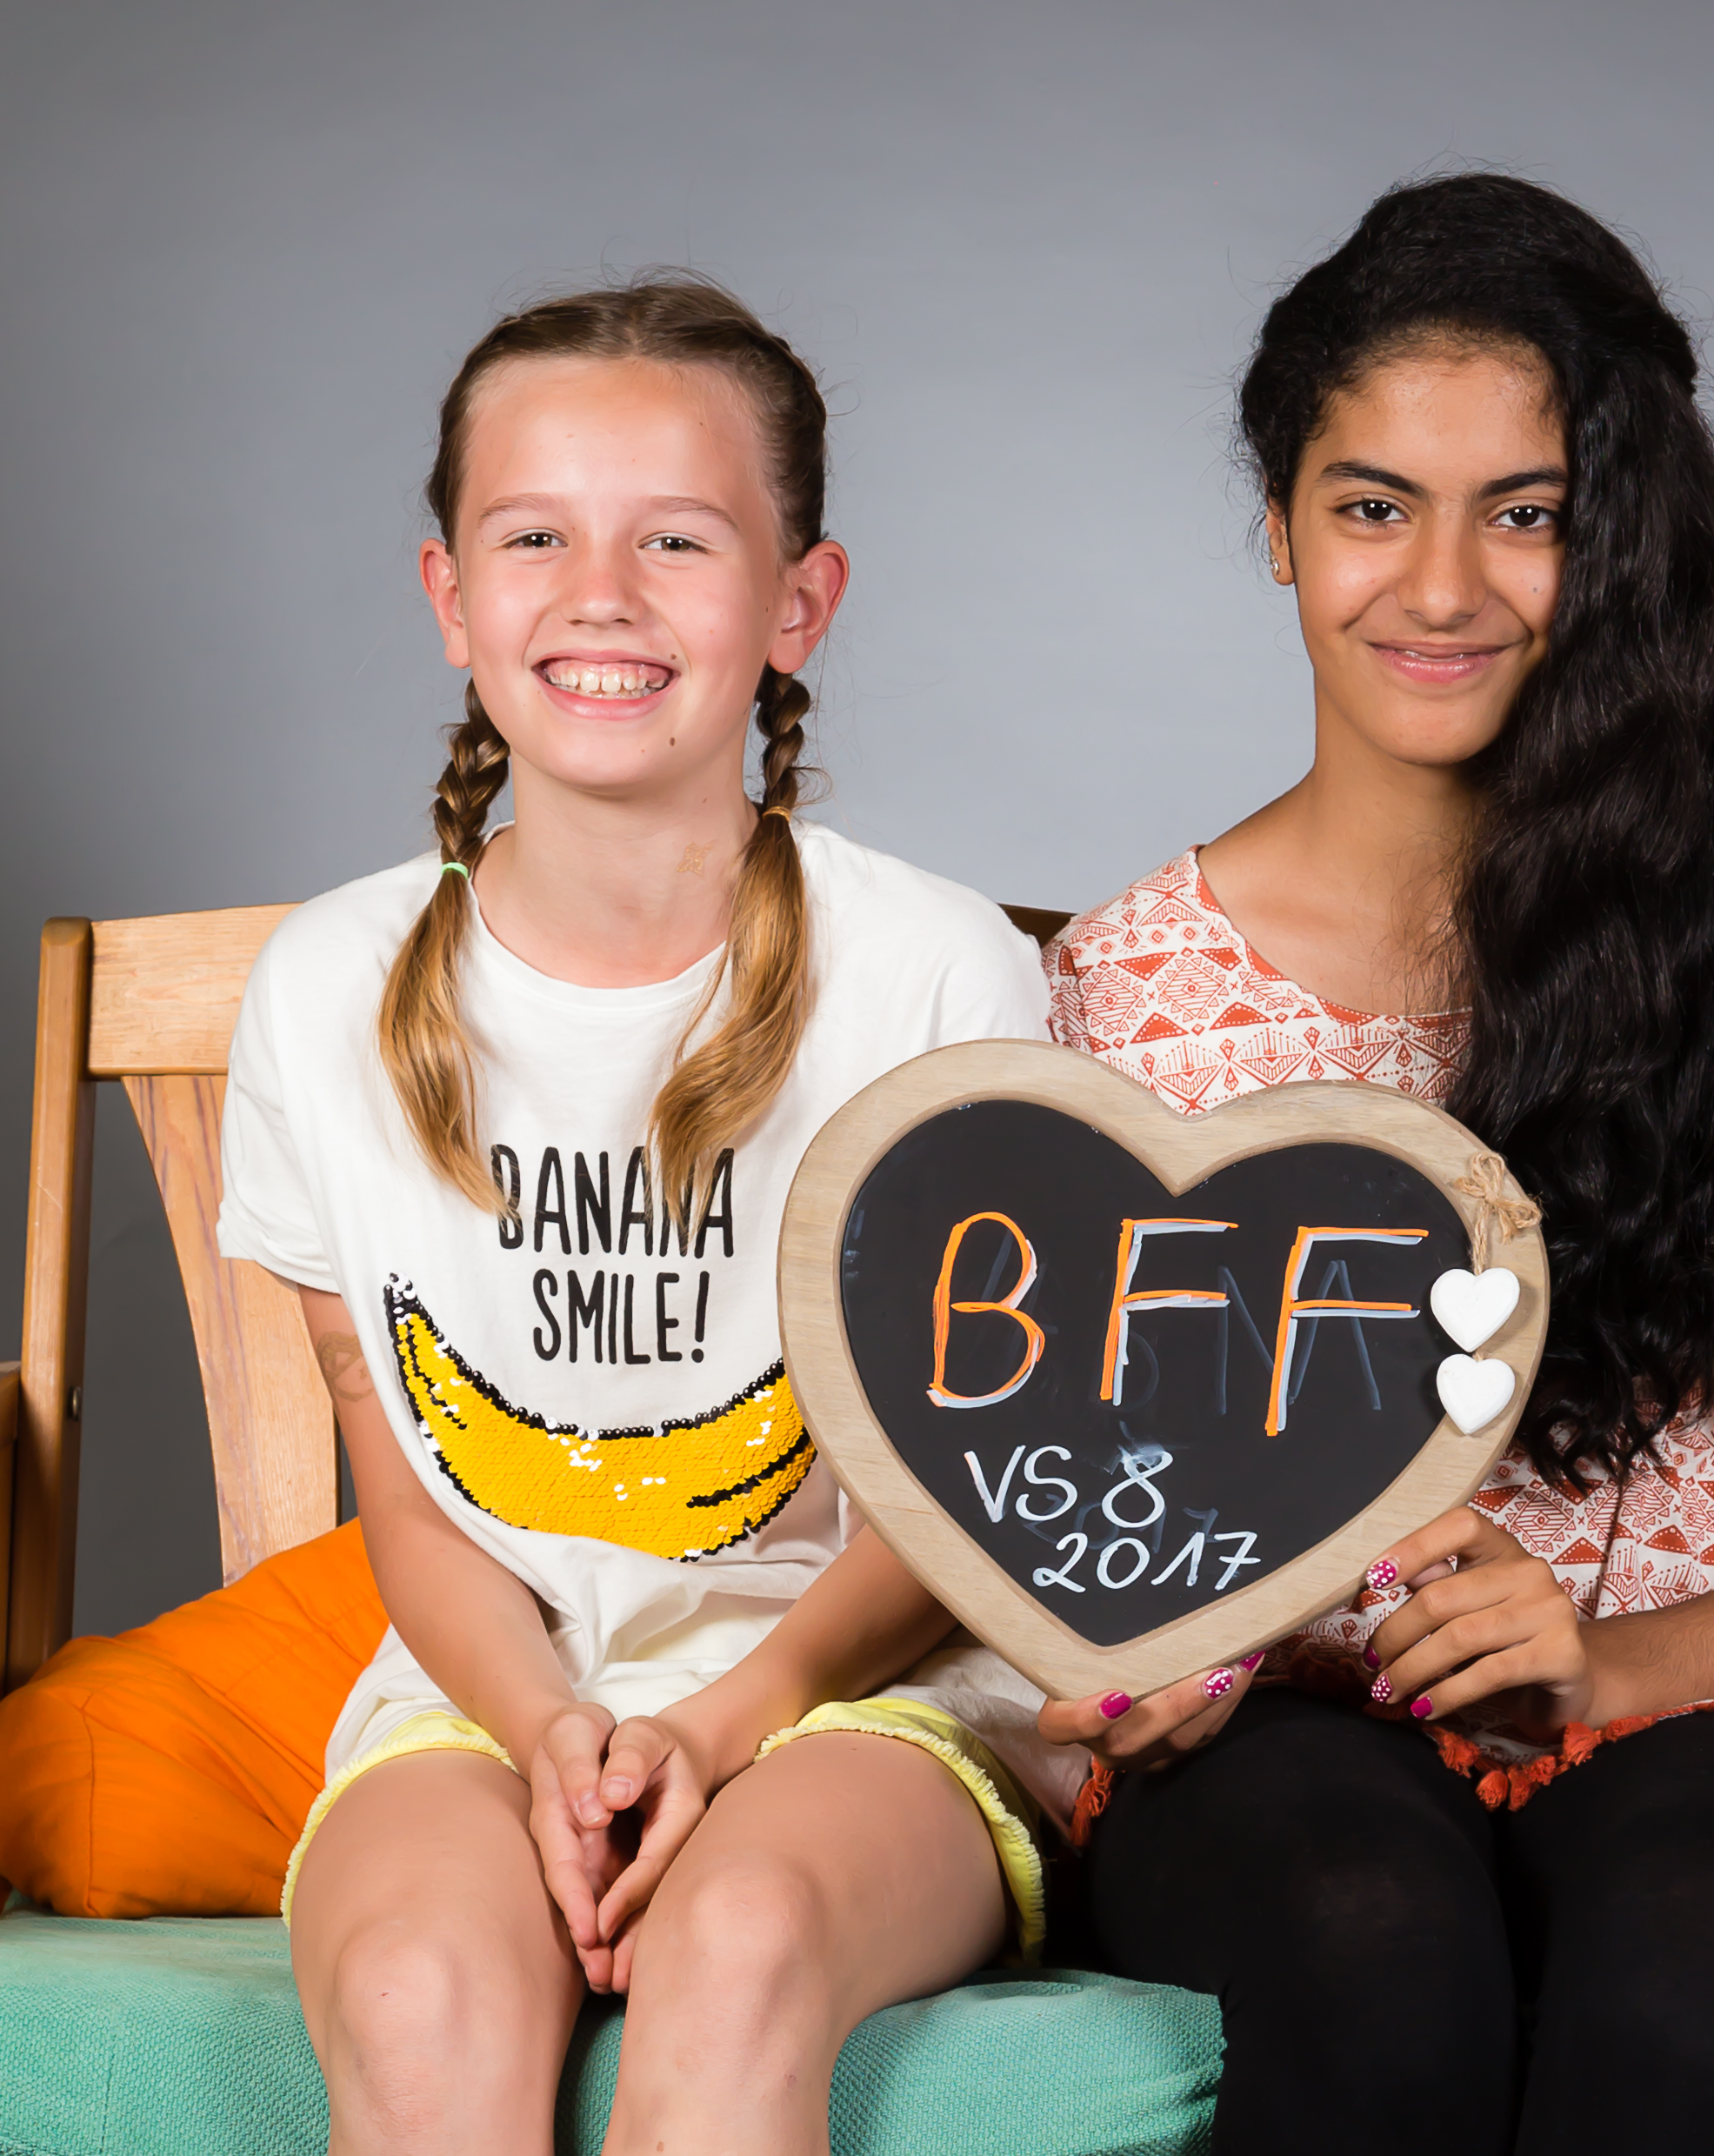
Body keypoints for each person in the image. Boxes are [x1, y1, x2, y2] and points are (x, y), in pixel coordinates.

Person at [1037, 176, 1714, 2156]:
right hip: (1290, 1742)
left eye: (1529, 512)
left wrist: (1612, 1665)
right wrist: (1130, 1660)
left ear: (1617, 535)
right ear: (1282, 527)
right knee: (1372, 1940)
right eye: (1371, 505)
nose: (1442, 586)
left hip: (1705, 1710)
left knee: (1688, 1946)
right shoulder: (1122, 991)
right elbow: (1068, 1511)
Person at [217, 277, 1084, 2156]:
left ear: (798, 603)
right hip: (488, 1695)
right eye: (534, 536)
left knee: (740, 1943)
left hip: (871, 1689)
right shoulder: (326, 988)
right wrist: (551, 1730)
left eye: (675, 540)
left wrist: (730, 1715)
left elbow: (967, 1486)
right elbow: (411, 1484)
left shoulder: (937, 972)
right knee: (419, 1991)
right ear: (451, 596)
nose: (599, 593)